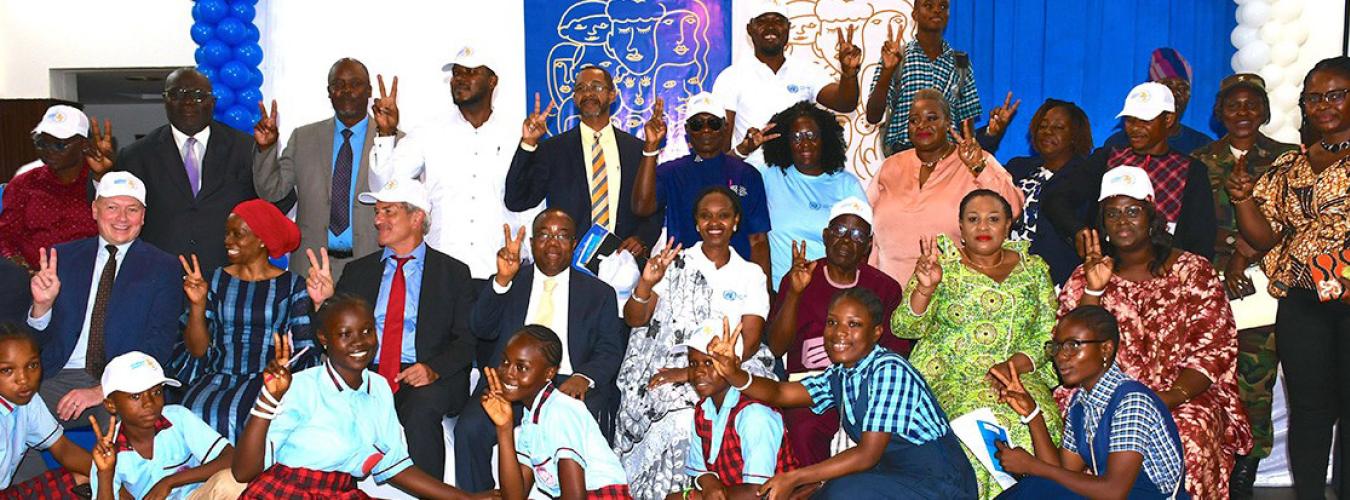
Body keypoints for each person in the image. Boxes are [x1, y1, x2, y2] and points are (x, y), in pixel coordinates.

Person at [1059, 167, 1251, 498]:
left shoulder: (1193, 271)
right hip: (1104, 399)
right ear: (1102, 223)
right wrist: (1093, 289)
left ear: (1152, 216)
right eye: (1113, 213)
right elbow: (1070, 345)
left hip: (1180, 395)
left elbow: (1214, 351)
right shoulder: (1085, 274)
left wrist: (1162, 400)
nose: (1122, 221)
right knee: (1088, 435)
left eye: (1133, 211)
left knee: (1187, 437)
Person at [707, 288, 977, 498]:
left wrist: (795, 477)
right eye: (832, 322)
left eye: (854, 324)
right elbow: (779, 392)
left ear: (876, 332)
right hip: (895, 475)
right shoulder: (843, 374)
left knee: (841, 493)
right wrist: (734, 373)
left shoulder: (889, 369)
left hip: (940, 484)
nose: (839, 333)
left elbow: (867, 454)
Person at [1227, 56, 1350, 499]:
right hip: (1302, 302)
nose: (1324, 105)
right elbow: (1263, 236)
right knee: (1311, 410)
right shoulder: (1290, 167)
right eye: (1315, 97)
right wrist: (1243, 202)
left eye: (1336, 94)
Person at [891, 190, 1060, 498]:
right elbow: (903, 326)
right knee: (973, 428)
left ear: (1008, 224)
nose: (983, 227)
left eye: (993, 219)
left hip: (1018, 375)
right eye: (973, 219)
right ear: (961, 226)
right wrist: (925, 289)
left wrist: (1012, 368)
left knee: (1039, 421)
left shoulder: (1034, 269)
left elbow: (1048, 334)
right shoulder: (942, 265)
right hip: (952, 377)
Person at [305, 178, 476, 481]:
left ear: (417, 217)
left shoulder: (453, 273)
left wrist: (433, 369)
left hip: (423, 375)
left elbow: (467, 340)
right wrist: (324, 303)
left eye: (388, 212)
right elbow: (330, 335)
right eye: (377, 212)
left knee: (422, 409)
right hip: (365, 371)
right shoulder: (359, 271)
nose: (378, 220)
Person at [616, 187, 779, 498]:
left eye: (723, 216)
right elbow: (634, 319)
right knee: (677, 416)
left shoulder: (750, 274)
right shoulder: (675, 263)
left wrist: (695, 372)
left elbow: (752, 338)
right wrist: (646, 283)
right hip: (671, 360)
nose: (714, 223)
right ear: (696, 223)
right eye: (706, 216)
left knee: (737, 406)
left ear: (735, 222)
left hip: (735, 363)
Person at [230, 296, 478, 499]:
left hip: (342, 492)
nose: (359, 342)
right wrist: (268, 400)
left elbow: (395, 466)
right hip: (288, 492)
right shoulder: (301, 387)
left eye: (367, 330)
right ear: (324, 339)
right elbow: (243, 472)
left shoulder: (379, 387)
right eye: (345, 334)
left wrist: (465, 499)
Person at [457, 209, 627, 493]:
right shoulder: (510, 281)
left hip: (568, 381)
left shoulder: (599, 293)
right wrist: (501, 282)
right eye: (545, 235)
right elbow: (481, 328)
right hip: (512, 381)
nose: (552, 243)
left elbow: (610, 350)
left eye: (562, 236)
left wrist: (584, 376)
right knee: (469, 428)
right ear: (533, 242)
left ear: (574, 244)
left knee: (590, 411)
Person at [1189, 73, 1296, 496]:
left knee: (1255, 378)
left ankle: (1247, 465)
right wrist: (1229, 250)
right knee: (1211, 374)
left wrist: (1243, 253)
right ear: (1219, 113)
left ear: (1266, 112)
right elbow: (1191, 225)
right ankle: (1214, 455)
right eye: (1233, 105)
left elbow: (1289, 222)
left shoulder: (1287, 160)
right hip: (1211, 285)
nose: (1243, 113)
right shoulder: (1198, 160)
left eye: (1252, 105)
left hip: (1264, 284)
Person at [369, 46, 540, 293]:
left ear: (492, 81)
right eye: (457, 73)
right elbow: (385, 188)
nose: (460, 79)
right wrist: (386, 134)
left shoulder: (518, 134)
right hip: (442, 272)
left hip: (503, 271)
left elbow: (531, 205)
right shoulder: (429, 132)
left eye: (471, 72)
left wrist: (533, 263)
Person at [25, 172, 183, 428]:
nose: (122, 218)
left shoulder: (164, 267)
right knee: (10, 415)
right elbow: (34, 343)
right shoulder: (62, 258)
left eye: (132, 209)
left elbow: (159, 345)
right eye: (112, 207)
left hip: (125, 384)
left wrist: (102, 389)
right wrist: (41, 308)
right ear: (95, 210)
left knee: (130, 420)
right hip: (57, 375)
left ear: (143, 216)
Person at [765, 197, 907, 467]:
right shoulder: (799, 276)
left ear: (867, 245)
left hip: (864, 386)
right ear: (826, 235)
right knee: (805, 429)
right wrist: (795, 293)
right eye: (840, 231)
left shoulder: (884, 287)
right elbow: (775, 347)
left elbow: (895, 353)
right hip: (808, 383)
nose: (845, 240)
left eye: (856, 234)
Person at [992, 306, 1190, 499]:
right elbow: (1061, 472)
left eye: (1073, 345)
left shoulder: (1132, 401)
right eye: (1057, 347)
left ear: (1105, 349)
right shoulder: (1081, 404)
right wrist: (1032, 414)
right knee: (1038, 487)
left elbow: (1113, 492)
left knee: (1033, 488)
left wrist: (1032, 466)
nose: (1061, 356)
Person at [171, 199, 319, 441]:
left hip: (269, 378)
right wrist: (197, 305)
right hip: (216, 376)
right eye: (227, 233)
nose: (228, 241)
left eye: (237, 234)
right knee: (192, 412)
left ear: (262, 239)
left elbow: (305, 351)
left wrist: (285, 372)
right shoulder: (214, 280)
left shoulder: (292, 285)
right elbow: (197, 351)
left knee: (246, 415)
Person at [101, 68, 262, 272]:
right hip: (159, 276)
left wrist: (267, 156)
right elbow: (106, 209)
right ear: (165, 101)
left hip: (229, 275)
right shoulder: (137, 155)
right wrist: (100, 175)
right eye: (177, 94)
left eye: (197, 95)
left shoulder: (245, 148)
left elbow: (279, 204)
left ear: (212, 102)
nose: (187, 102)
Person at [1043, 82, 1218, 261]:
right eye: (1130, 119)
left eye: (1145, 120)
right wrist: (1077, 230)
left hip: (1168, 273)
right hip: (1109, 269)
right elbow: (1056, 198)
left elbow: (1201, 238)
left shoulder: (1190, 170)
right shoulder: (1107, 158)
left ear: (1168, 120)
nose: (1134, 128)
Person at [506, 66, 663, 260]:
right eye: (581, 88)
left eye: (596, 87)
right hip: (570, 265)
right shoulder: (553, 150)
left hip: (623, 262)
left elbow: (653, 209)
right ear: (574, 98)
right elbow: (516, 199)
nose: (588, 93)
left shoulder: (637, 150)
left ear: (612, 95)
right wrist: (528, 143)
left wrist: (642, 239)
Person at [867, 89, 1023, 285]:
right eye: (914, 120)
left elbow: (1013, 208)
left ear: (948, 123)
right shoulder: (891, 166)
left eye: (932, 118)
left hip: (948, 296)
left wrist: (978, 167)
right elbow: (863, 219)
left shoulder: (973, 160)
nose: (922, 125)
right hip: (886, 292)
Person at [252, 58, 382, 281]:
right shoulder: (304, 138)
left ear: (369, 91)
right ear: (329, 92)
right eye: (338, 85)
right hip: (310, 264)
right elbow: (271, 191)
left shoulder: (391, 140)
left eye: (355, 83)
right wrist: (267, 149)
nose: (346, 91)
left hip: (370, 263)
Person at [632, 92, 772, 279]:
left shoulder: (747, 174)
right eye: (698, 125)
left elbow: (758, 240)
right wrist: (650, 146)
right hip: (685, 279)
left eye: (713, 124)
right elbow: (641, 207)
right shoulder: (672, 172)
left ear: (725, 128)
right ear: (687, 131)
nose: (706, 130)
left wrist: (764, 290)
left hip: (737, 281)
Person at [482, 326, 633, 500]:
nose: (508, 373)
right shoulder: (531, 416)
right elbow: (514, 497)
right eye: (505, 362)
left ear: (549, 373)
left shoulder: (561, 411)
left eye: (521, 367)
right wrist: (504, 429)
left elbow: (575, 497)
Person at [711, 3, 861, 166]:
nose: (770, 28)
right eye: (762, 22)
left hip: (798, 176)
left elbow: (845, 103)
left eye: (778, 21)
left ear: (788, 28)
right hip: (752, 176)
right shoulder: (730, 77)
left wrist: (849, 74)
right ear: (750, 29)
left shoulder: (807, 70)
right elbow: (720, 145)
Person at [863, 0, 1017, 154]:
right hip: (904, 156)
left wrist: (991, 131)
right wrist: (887, 71)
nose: (937, 10)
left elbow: (967, 126)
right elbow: (873, 116)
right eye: (928, 6)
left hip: (947, 160)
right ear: (914, 14)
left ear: (949, 15)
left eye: (943, 6)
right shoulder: (898, 58)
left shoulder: (961, 63)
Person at [668, 324, 797, 500]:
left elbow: (760, 492)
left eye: (709, 363)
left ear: (734, 364)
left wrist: (696, 497)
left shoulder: (755, 415)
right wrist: (709, 481)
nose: (699, 371)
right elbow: (700, 472)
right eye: (693, 363)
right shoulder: (703, 409)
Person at [87, 352, 234, 499]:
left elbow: (231, 457)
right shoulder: (108, 451)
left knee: (230, 482)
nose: (149, 403)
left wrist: (169, 482)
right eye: (135, 396)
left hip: (195, 496)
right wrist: (105, 473)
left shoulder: (178, 418)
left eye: (156, 392)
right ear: (111, 405)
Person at [757, 101, 868, 289]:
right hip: (780, 292)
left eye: (811, 135)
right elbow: (724, 183)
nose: (805, 143)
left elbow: (864, 242)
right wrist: (743, 150)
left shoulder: (847, 184)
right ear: (786, 142)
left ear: (825, 139)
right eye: (797, 137)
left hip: (831, 294)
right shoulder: (769, 176)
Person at [1005, 99, 1095, 285]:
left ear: (1074, 135)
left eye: (1058, 128)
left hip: (1058, 277)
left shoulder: (1085, 175)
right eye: (1043, 126)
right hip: (1009, 274)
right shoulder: (1017, 167)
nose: (1047, 131)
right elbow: (979, 177)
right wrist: (991, 135)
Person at [0, 105, 98, 270]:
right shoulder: (23, 184)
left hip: (88, 280)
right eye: (42, 143)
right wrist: (21, 268)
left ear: (84, 145)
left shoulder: (100, 182)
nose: (48, 151)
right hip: (34, 280)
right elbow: (5, 236)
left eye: (59, 145)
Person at [0, 325, 93, 497]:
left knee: (83, 480)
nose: (23, 379)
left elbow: (63, 449)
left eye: (32, 365)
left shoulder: (28, 401)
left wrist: (110, 476)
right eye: (7, 370)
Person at [1102, 48, 1213, 154]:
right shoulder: (1118, 145)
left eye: (1182, 89)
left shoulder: (1202, 146)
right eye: (1168, 88)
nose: (1175, 95)